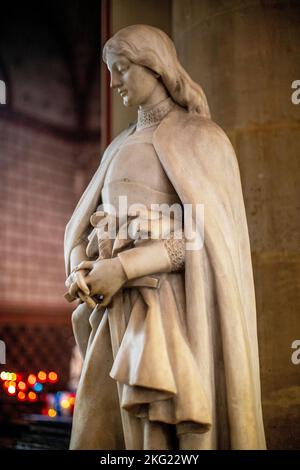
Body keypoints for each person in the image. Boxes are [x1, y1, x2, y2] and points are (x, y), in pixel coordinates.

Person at [64, 24, 266, 450]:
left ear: (154, 68)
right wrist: (86, 268)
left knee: (161, 443)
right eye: (110, 71)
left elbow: (202, 238)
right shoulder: (118, 146)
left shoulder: (201, 138)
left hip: (168, 316)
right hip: (112, 318)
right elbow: (88, 224)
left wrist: (123, 267)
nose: (114, 81)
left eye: (122, 69)